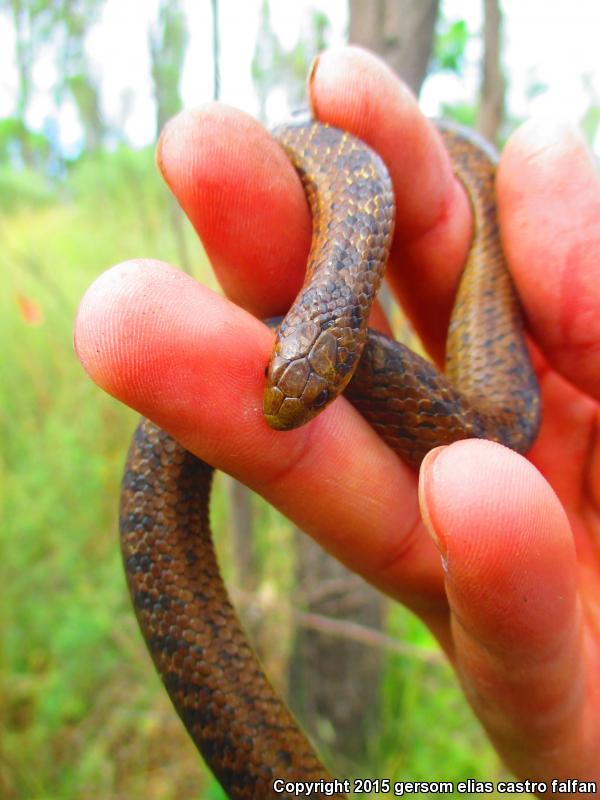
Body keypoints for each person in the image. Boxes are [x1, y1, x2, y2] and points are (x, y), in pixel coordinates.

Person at [74, 47, 600, 783]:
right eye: (291, 372)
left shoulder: (359, 237)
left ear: (345, 349)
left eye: (316, 392)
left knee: (495, 430)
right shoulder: (345, 218)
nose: (288, 409)